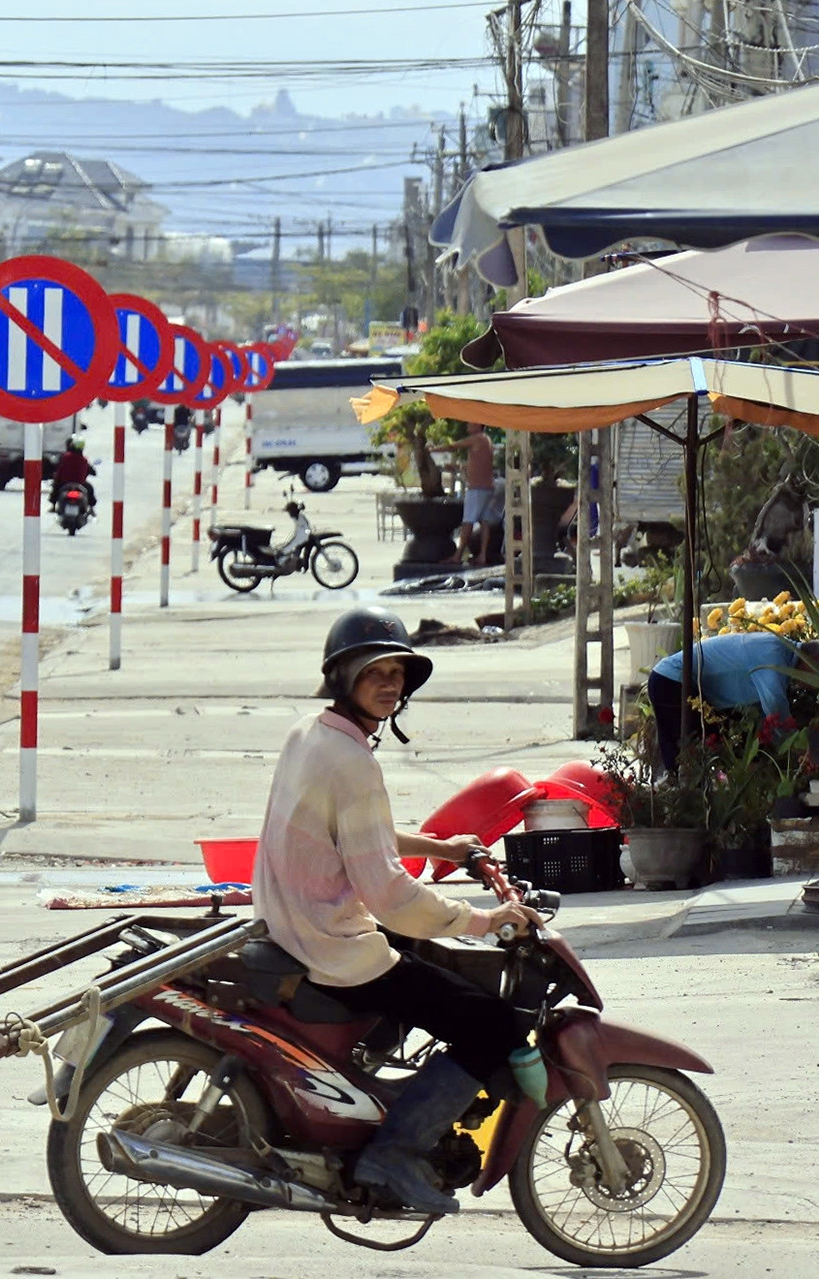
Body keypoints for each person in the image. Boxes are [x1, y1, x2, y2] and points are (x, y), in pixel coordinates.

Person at [251, 606, 541, 1216]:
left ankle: (371, 1094)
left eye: (397, 673)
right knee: (490, 1024)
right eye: (373, 672)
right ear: (343, 677)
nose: (388, 684)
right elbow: (388, 894)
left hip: (293, 920)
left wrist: (442, 848)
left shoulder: (312, 734)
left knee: (431, 968)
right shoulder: (352, 761)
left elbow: (358, 833)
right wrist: (485, 921)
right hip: (331, 942)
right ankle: (395, 1152)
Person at [647, 632, 819, 772]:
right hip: (671, 681)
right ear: (812, 663)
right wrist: (797, 747)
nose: (817, 686)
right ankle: (680, 798)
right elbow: (774, 705)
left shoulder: (781, 652)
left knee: (717, 750)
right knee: (687, 755)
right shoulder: (774, 652)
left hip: (678, 682)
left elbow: (764, 712)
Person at [439, 422, 498, 566]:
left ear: (478, 425)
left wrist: (434, 449)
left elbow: (454, 446)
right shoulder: (486, 440)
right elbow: (478, 465)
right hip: (487, 487)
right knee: (484, 521)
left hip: (477, 489)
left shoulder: (477, 438)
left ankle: (458, 555)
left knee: (468, 521)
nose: (467, 425)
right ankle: (482, 555)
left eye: (470, 423)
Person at [50, 436, 97, 505]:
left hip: (64, 483)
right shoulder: (83, 459)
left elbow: (58, 470)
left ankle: (53, 505)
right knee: (90, 490)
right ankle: (91, 508)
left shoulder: (65, 457)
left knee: (55, 489)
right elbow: (92, 471)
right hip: (80, 483)